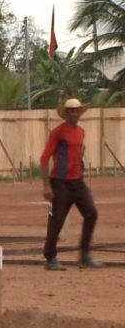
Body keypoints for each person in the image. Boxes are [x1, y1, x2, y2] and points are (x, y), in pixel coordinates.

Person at [40, 97, 103, 270]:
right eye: (71, 111)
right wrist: (46, 185)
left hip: (78, 182)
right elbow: (44, 158)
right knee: (57, 221)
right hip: (60, 183)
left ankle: (84, 254)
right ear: (66, 113)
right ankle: (50, 258)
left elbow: (78, 153)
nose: (74, 113)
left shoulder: (81, 131)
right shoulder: (58, 132)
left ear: (80, 112)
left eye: (77, 110)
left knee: (91, 214)